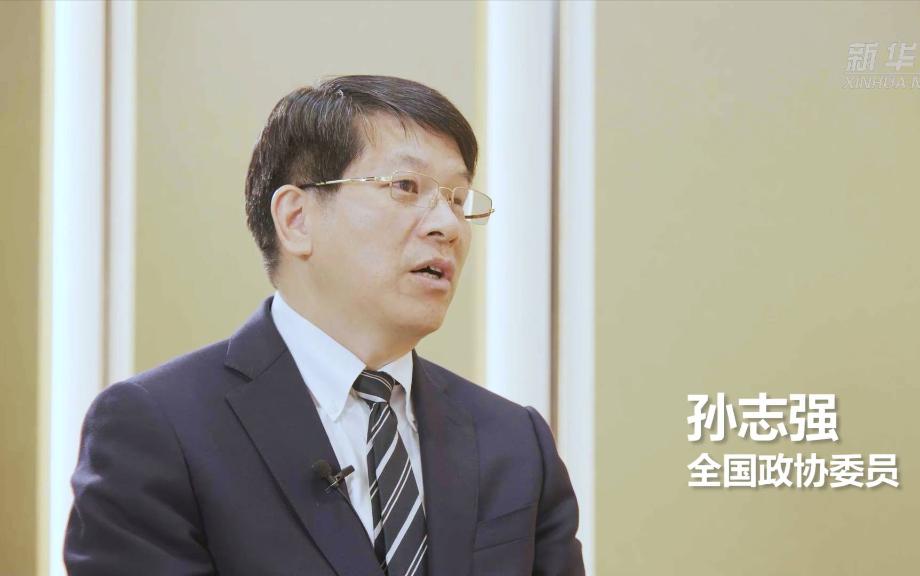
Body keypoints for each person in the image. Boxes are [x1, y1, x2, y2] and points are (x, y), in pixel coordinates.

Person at [64, 75, 584, 576]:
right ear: (297, 219)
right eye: (406, 186)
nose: (447, 226)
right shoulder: (158, 429)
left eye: (457, 199)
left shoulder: (516, 443)